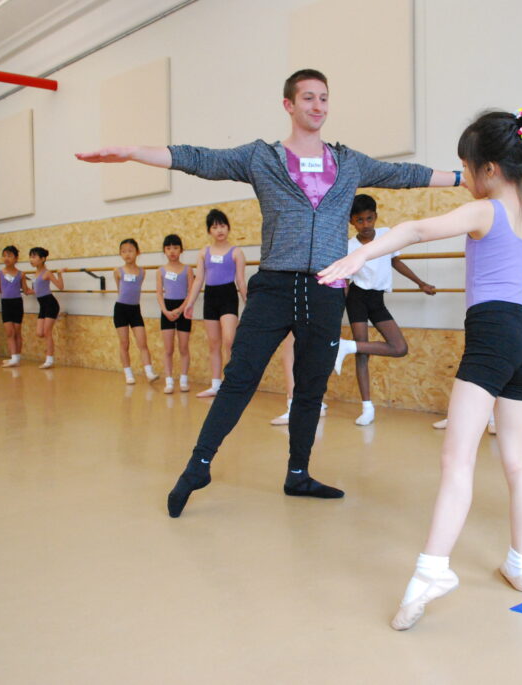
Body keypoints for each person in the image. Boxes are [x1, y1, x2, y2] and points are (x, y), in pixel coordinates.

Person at [76, 68, 464, 513]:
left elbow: (404, 173)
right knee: (240, 378)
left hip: (325, 289)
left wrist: (462, 178)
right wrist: (129, 153)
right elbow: (199, 158)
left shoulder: (349, 162)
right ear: (289, 105)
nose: (317, 106)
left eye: (324, 98)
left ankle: (298, 474)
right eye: (308, 98)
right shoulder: (262, 158)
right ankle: (197, 467)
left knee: (311, 387)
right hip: (274, 286)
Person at [319, 108, 522, 631]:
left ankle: (431, 570)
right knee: (516, 460)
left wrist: (357, 259)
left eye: (464, 169)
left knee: (456, 459)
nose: (463, 179)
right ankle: (520, 564)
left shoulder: (486, 211)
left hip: (491, 335)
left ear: (488, 169)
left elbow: (417, 228)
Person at [333, 193, 437, 425]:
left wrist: (421, 283)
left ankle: (345, 346)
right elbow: (345, 283)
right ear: (352, 222)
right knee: (363, 353)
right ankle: (367, 407)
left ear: (376, 217)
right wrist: (337, 311)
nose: (366, 225)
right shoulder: (349, 246)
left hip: (377, 300)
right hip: (357, 299)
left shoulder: (386, 235)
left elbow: (395, 261)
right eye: (360, 220)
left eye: (370, 219)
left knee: (399, 347)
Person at [182, 209, 246, 398]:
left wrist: (248, 303)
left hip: (228, 297)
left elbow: (241, 281)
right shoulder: (204, 252)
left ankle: (231, 382)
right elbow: (198, 279)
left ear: (228, 228)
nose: (219, 230)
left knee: (229, 340)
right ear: (209, 231)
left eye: (223, 226)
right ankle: (216, 384)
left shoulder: (236, 252)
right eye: (215, 227)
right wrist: (190, 303)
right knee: (213, 343)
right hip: (210, 298)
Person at [112, 238, 157, 385]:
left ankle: (149, 372)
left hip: (135, 310)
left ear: (137, 252)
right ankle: (128, 373)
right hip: (121, 309)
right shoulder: (118, 271)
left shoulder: (142, 272)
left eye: (130, 251)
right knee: (124, 343)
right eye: (123, 251)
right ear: (120, 254)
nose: (127, 254)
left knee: (142, 342)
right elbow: (120, 290)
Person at [156, 234, 194, 394]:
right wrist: (165, 311)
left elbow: (191, 292)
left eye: (175, 248)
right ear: (164, 250)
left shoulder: (188, 269)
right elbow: (159, 293)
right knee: (169, 349)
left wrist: (180, 309)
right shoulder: (161, 270)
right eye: (169, 248)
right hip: (167, 309)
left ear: (181, 250)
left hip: (184, 308)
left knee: (184, 347)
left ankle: (183, 379)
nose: (172, 251)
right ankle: (169, 381)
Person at [29, 247, 63, 369]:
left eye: (34, 257)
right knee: (40, 333)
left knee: (47, 332)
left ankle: (49, 359)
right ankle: (57, 317)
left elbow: (60, 287)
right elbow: (36, 290)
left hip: (50, 304)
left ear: (42, 259)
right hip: (42, 305)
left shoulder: (47, 273)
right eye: (30, 257)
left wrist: (59, 274)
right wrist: (29, 291)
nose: (31, 259)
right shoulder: (35, 274)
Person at [0, 245, 28, 367]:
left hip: (17, 302)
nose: (6, 258)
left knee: (17, 331)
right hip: (6, 303)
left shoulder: (21, 274)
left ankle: (17, 357)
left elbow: (25, 290)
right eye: (5, 255)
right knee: (9, 332)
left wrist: (40, 290)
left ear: (16, 258)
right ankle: (13, 357)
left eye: (10, 256)